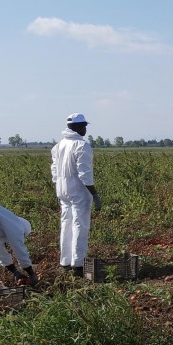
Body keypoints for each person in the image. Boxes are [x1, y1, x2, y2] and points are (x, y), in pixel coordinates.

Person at [51, 113, 101, 277]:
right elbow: (84, 174)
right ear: (79, 127)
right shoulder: (81, 146)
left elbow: (54, 171)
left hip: (62, 190)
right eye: (84, 126)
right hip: (78, 191)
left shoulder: (58, 146)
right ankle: (78, 264)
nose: (85, 129)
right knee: (80, 225)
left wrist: (59, 187)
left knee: (66, 224)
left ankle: (65, 261)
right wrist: (94, 194)